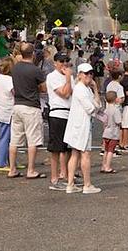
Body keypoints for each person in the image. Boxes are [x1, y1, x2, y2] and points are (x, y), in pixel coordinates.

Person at [7, 43, 47, 179]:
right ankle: (31, 170)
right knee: (33, 140)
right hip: (31, 106)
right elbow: (43, 89)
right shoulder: (36, 70)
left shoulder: (15, 68)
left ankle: (12, 169)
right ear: (33, 54)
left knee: (14, 140)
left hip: (17, 105)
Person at [63, 62, 101, 194]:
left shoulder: (86, 89)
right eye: (86, 73)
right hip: (81, 125)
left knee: (75, 153)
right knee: (85, 154)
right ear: (79, 75)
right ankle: (87, 184)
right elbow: (91, 108)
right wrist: (95, 105)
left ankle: (70, 184)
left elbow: (98, 105)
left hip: (79, 124)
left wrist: (95, 89)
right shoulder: (80, 89)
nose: (89, 76)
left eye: (91, 73)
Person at [45, 52, 74, 190]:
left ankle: (66, 175)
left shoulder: (70, 77)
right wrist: (68, 79)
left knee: (68, 148)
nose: (64, 64)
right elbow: (64, 93)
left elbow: (73, 93)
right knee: (56, 148)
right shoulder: (52, 77)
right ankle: (54, 177)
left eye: (66, 61)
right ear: (55, 63)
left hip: (70, 113)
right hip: (57, 113)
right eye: (61, 61)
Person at [0, 57, 15, 171]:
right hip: (6, 112)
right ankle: (1, 163)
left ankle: (10, 161)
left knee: (7, 137)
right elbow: (15, 93)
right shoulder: (9, 80)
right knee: (6, 138)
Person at [100, 90, 121, 174]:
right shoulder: (116, 110)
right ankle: (108, 167)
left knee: (105, 150)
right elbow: (118, 121)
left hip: (106, 132)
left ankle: (103, 165)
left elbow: (104, 121)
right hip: (113, 133)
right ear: (115, 99)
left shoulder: (106, 110)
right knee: (111, 151)